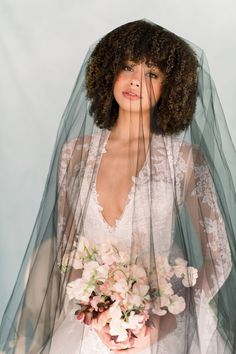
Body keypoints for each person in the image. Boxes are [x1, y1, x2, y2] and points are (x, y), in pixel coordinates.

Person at [0, 19, 235, 354]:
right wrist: (99, 316)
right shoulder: (75, 154)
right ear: (110, 71)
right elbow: (68, 255)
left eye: (152, 73)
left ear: (171, 86)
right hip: (89, 328)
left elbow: (220, 258)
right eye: (127, 66)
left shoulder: (185, 160)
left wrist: (162, 322)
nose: (136, 81)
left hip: (163, 329)